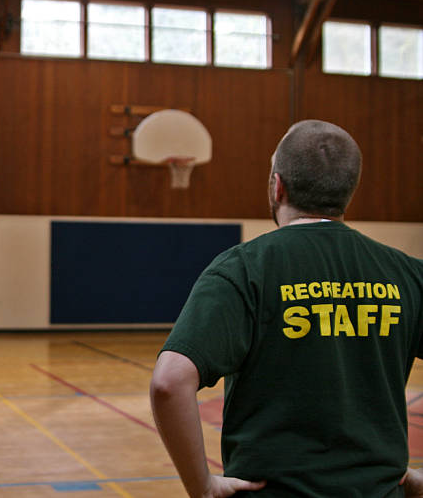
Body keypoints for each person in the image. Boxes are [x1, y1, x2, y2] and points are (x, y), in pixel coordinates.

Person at [150, 120, 423, 497]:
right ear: (349, 190)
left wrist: (202, 486)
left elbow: (169, 382)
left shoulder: (243, 269)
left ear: (278, 185)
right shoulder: (406, 273)